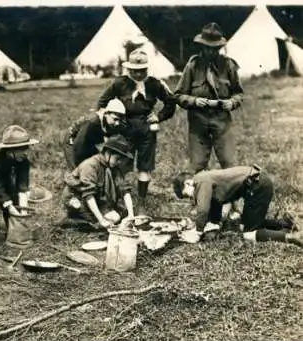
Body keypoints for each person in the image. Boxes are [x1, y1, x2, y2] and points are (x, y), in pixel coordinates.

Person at [98, 49, 176, 216]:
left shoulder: (155, 84)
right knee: (121, 165)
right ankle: (119, 200)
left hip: (146, 131)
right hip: (124, 129)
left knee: (144, 166)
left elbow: (171, 102)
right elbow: (102, 103)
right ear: (128, 70)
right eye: (135, 70)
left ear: (147, 69)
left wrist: (159, 116)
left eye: (142, 70)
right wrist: (109, 119)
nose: (139, 74)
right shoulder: (119, 83)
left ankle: (141, 202)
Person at [172, 165, 301, 246]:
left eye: (188, 195)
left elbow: (203, 210)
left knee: (248, 235)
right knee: (246, 225)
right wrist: (213, 224)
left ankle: (291, 238)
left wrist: (197, 232)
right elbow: (216, 202)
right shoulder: (203, 177)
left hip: (257, 186)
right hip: (257, 183)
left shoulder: (200, 182)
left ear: (188, 183)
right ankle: (285, 224)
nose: (191, 199)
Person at [174, 22, 243, 174]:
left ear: (219, 48)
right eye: (207, 48)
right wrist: (194, 101)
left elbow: (239, 93)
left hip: (222, 121)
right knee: (197, 166)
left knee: (230, 164)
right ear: (201, 47)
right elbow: (178, 95)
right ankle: (199, 195)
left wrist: (231, 103)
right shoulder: (193, 65)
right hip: (198, 121)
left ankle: (230, 195)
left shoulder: (228, 65)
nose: (210, 52)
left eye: (215, 49)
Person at [59, 135, 136, 230]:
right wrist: (101, 220)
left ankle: (89, 218)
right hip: (77, 197)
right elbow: (88, 195)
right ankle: (73, 218)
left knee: (115, 218)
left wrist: (131, 215)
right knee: (99, 225)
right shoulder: (90, 165)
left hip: (97, 197)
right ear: (107, 153)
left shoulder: (113, 166)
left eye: (121, 159)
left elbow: (124, 189)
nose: (119, 162)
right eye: (118, 158)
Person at [63, 98, 126, 170]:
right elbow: (79, 146)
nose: (117, 123)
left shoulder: (111, 123)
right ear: (106, 114)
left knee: (97, 165)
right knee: (78, 168)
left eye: (119, 120)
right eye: (115, 119)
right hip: (73, 140)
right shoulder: (92, 123)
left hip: (91, 140)